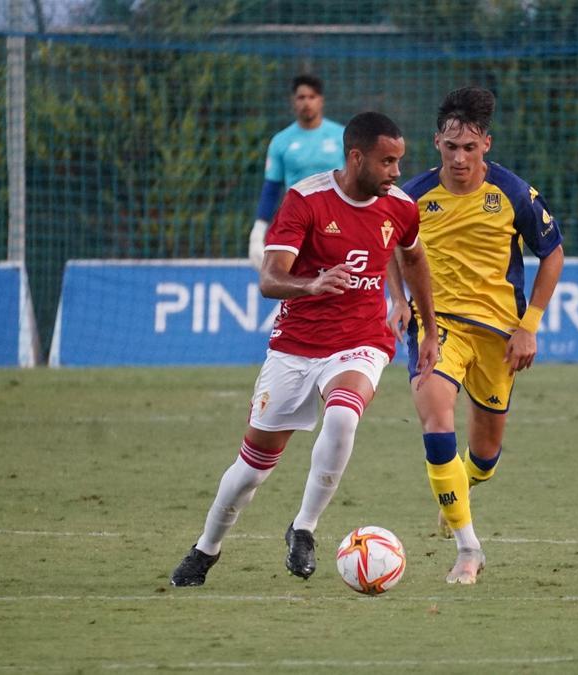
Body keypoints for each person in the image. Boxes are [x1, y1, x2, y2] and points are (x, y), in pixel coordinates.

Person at [171, 111, 439, 587]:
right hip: (295, 347)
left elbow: (413, 256)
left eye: (400, 161)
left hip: (360, 340)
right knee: (249, 472)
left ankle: (304, 528)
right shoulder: (306, 200)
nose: (398, 172)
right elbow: (270, 279)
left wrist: (423, 322)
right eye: (388, 161)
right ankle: (205, 549)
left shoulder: (400, 207)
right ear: (357, 157)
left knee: (343, 415)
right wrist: (313, 284)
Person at [387, 86, 565, 584]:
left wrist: (528, 326)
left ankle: (460, 489)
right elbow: (389, 244)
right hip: (436, 328)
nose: (460, 158)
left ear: (485, 143)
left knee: (484, 457)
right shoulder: (413, 196)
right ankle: (469, 549)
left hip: (497, 337)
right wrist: (399, 302)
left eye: (469, 147)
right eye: (450, 147)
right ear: (436, 144)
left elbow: (553, 253)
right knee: (435, 417)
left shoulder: (513, 194)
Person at [248, 74, 346, 269]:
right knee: (294, 276)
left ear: (321, 101)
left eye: (312, 97)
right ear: (293, 101)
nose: (306, 103)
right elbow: (272, 187)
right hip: (297, 219)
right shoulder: (281, 141)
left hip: (337, 217)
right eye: (301, 97)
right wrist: (258, 230)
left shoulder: (342, 135)